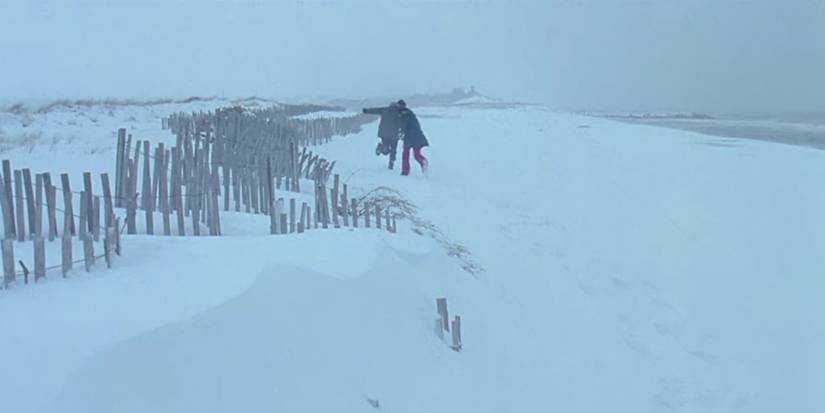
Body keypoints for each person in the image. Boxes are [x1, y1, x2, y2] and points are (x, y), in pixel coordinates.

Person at [362, 102, 402, 169]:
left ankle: (381, 148)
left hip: (386, 134)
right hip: (392, 135)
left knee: (387, 150)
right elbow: (402, 124)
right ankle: (390, 162)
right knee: (393, 150)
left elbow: (375, 110)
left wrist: (366, 111)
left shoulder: (385, 110)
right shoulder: (398, 113)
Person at [396, 100, 429, 176]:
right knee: (416, 154)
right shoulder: (409, 113)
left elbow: (404, 126)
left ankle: (405, 171)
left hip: (410, 137)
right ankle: (423, 162)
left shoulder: (404, 114)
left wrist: (400, 132)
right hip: (417, 136)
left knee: (406, 154)